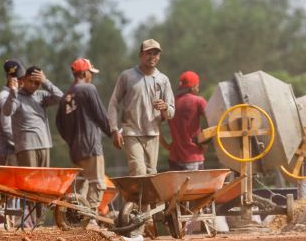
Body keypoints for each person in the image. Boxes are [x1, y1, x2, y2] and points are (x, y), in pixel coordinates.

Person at [108, 39, 175, 176]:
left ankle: (141, 198)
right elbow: (114, 102)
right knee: (138, 172)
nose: (152, 57)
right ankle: (138, 197)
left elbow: (171, 113)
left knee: (151, 174)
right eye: (148, 53)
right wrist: (114, 129)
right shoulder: (127, 76)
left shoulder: (163, 80)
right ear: (141, 55)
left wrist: (165, 107)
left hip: (153, 133)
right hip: (131, 133)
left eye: (155, 53)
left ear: (159, 57)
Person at [56, 58, 111, 211]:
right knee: (97, 183)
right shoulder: (88, 89)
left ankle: (76, 216)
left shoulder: (65, 96)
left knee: (79, 185)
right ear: (84, 73)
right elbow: (101, 116)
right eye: (91, 73)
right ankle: (90, 217)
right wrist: (113, 133)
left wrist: (71, 141)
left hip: (75, 150)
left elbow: (59, 124)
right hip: (92, 146)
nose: (91, 76)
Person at [3, 65, 63, 168]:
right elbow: (7, 112)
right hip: (27, 147)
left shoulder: (41, 96)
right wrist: (12, 93)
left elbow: (61, 98)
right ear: (24, 79)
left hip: (44, 144)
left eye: (37, 83)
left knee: (43, 180)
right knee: (29, 180)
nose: (33, 85)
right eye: (30, 81)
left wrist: (45, 82)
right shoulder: (17, 97)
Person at [162, 71, 207, 171]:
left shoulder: (171, 103)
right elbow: (213, 120)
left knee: (177, 187)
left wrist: (165, 145)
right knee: (196, 187)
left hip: (174, 157)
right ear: (193, 87)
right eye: (197, 86)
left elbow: (156, 125)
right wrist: (205, 144)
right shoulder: (198, 101)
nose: (198, 89)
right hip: (193, 156)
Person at [0, 59, 24, 165]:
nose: (22, 82)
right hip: (7, 151)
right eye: (19, 79)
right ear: (10, 78)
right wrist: (21, 146)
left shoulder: (10, 96)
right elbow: (7, 127)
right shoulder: (5, 97)